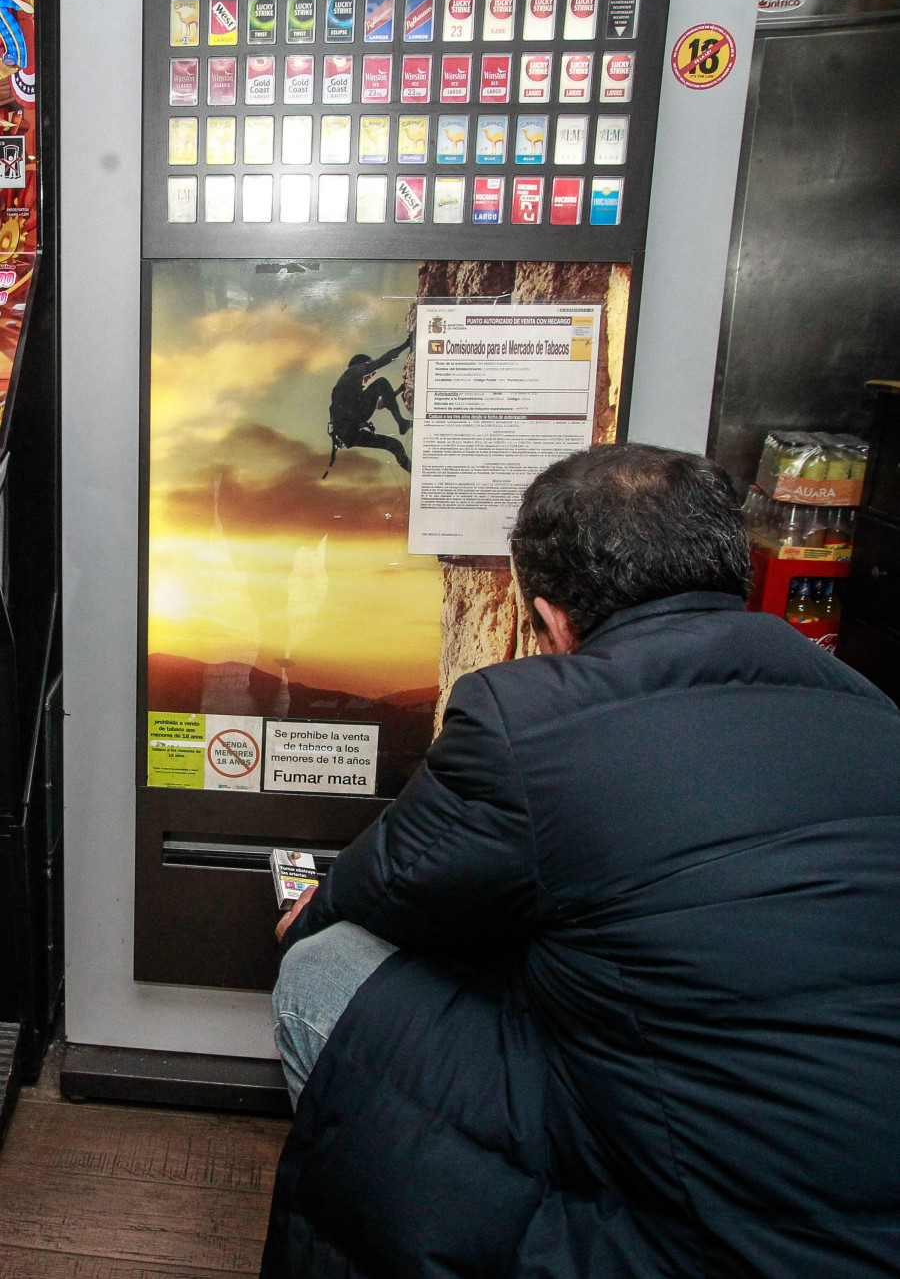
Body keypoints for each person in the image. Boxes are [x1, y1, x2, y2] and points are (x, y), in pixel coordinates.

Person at [260, 443, 900, 1279]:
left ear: (551, 615)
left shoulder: (525, 719)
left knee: (323, 967)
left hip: (704, 1230)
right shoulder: (872, 710)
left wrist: (309, 908)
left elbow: (395, 877)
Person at [323, 334, 412, 476]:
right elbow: (383, 361)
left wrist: (398, 391)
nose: (370, 376)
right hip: (352, 425)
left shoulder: (351, 386)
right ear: (363, 365)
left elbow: (379, 405)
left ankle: (417, 475)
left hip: (349, 434)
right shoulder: (352, 371)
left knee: (395, 445)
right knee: (381, 382)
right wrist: (406, 344)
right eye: (370, 372)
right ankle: (401, 422)